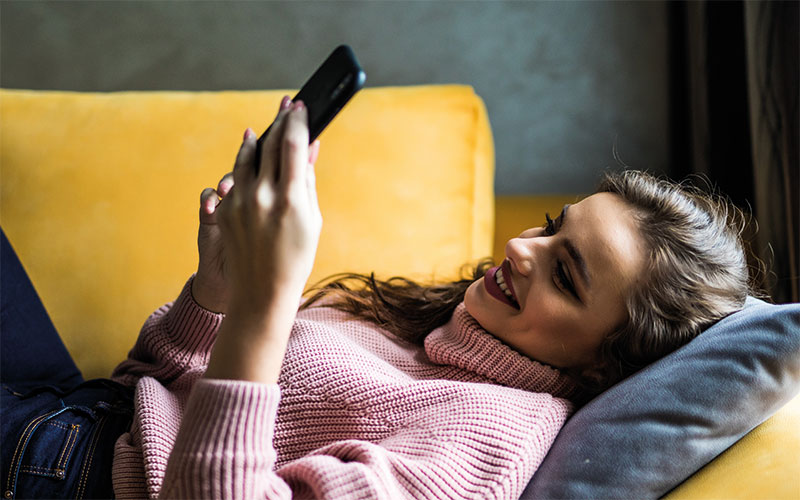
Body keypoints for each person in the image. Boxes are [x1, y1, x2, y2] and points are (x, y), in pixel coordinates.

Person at [0, 96, 751, 499]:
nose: (522, 249)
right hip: (80, 413)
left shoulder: (489, 445)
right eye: (554, 228)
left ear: (602, 364)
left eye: (566, 274)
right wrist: (217, 288)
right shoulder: (429, 323)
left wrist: (266, 303)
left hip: (64, 474)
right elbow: (150, 382)